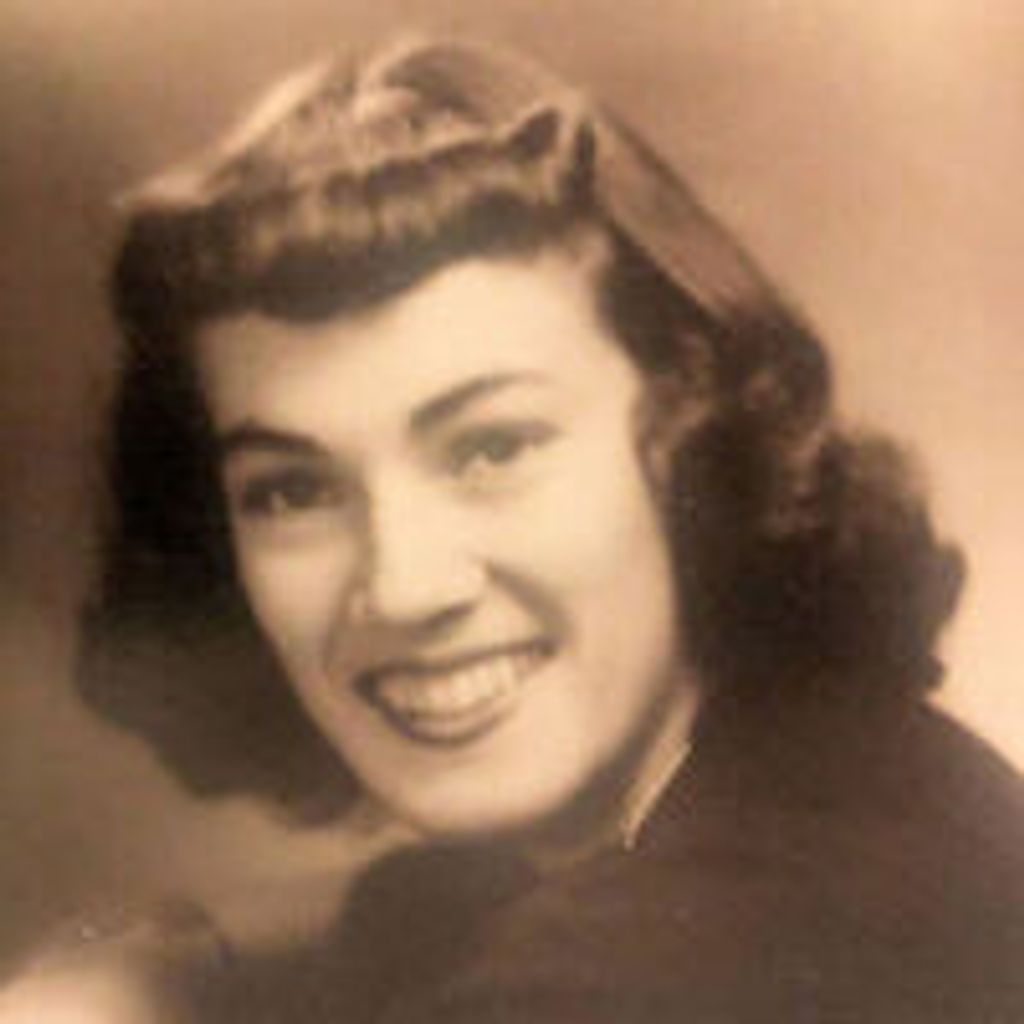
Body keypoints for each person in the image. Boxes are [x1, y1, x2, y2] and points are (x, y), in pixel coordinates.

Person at [7, 35, 1024, 1023]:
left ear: (691, 443)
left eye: (492, 448)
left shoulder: (685, 954)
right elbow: (406, 914)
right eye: (291, 491)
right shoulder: (820, 779)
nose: (403, 586)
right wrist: (161, 973)